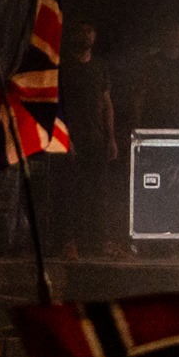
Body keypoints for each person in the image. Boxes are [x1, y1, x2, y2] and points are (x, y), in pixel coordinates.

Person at [59, 22, 119, 257]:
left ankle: (102, 242)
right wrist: (65, 138)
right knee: (73, 192)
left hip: (97, 138)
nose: (86, 35)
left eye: (90, 31)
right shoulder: (65, 67)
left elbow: (107, 103)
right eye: (81, 30)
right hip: (73, 138)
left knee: (100, 192)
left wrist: (111, 138)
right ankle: (70, 242)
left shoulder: (99, 67)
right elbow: (57, 106)